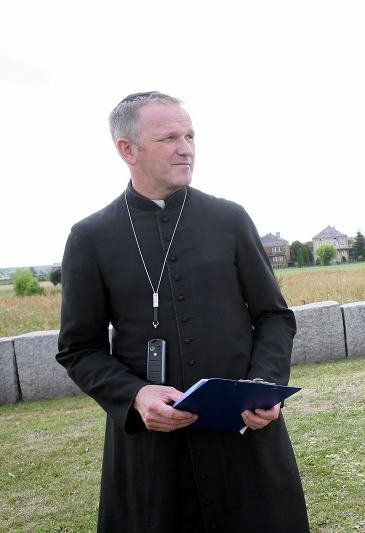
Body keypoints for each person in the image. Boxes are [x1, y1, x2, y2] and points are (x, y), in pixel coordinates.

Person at [56, 91, 309, 532]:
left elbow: (274, 316)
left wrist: (264, 385)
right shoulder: (90, 237)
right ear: (127, 149)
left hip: (242, 436)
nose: (186, 147)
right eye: (169, 137)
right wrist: (135, 395)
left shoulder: (229, 219)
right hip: (152, 451)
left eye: (190, 135)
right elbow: (79, 349)